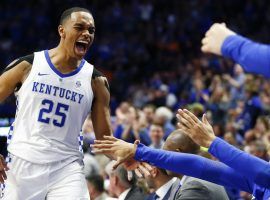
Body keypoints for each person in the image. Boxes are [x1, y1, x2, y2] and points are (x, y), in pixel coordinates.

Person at [0, 7, 112, 199]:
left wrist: (136, 155)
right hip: (22, 163)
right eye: (79, 27)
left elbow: (105, 140)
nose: (86, 34)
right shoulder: (27, 66)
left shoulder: (96, 82)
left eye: (91, 30)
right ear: (62, 31)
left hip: (67, 168)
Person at [91, 109, 270, 199]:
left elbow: (262, 171)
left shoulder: (195, 188)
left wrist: (212, 143)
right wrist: (139, 152)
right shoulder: (260, 183)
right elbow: (203, 168)